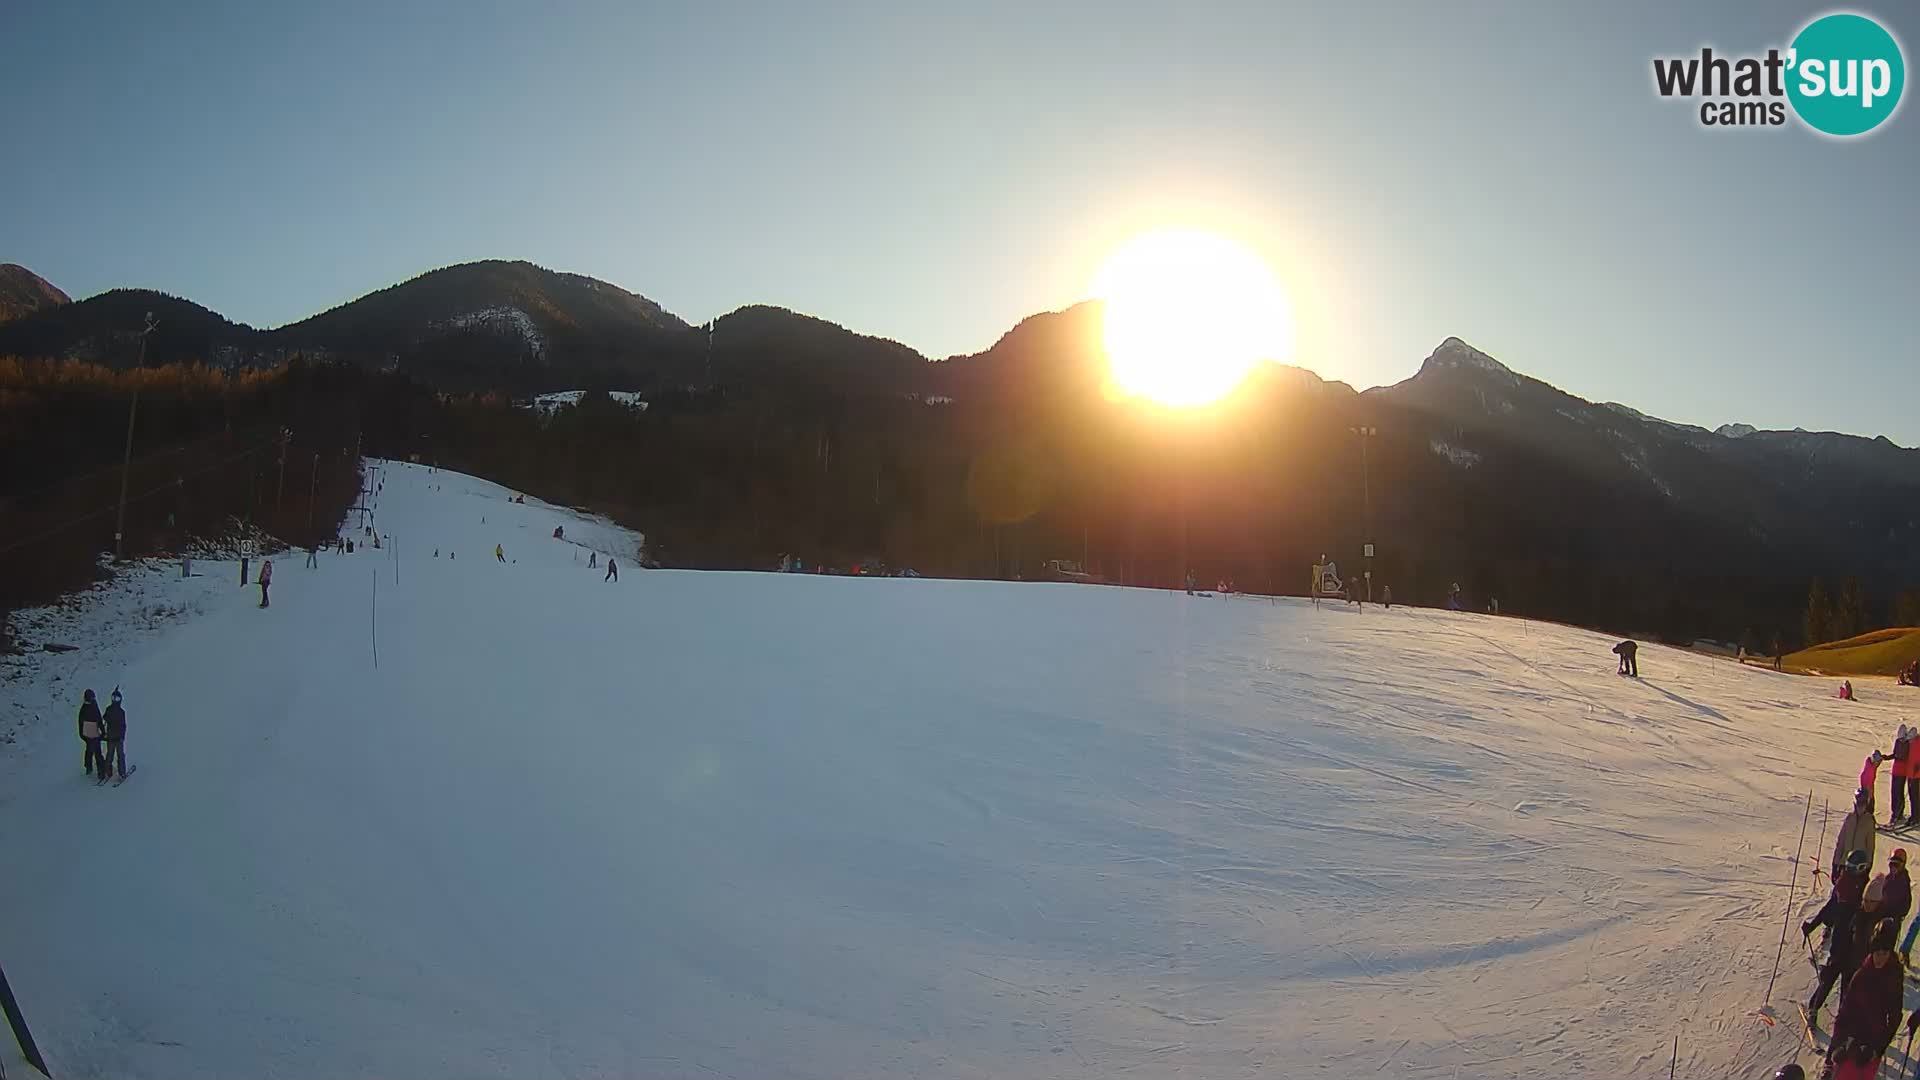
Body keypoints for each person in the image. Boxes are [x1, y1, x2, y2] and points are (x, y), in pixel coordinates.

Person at [1821, 918, 1904, 1079]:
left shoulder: (1894, 977)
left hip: (1872, 1041)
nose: (1880, 958)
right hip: (1851, 1039)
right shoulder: (1861, 975)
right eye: (1877, 953)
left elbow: (1894, 1017)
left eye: (1884, 953)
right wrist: (1832, 1056)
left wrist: (1877, 1049)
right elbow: (1845, 1012)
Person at [1810, 874, 1889, 1019]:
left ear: (1878, 902)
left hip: (1857, 964)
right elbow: (1840, 930)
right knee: (1826, 983)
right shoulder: (1856, 912)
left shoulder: (1880, 922)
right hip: (1841, 956)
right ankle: (1813, 1008)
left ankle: (1841, 1019)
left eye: (1871, 901)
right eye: (1865, 900)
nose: (1867, 904)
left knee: (1847, 995)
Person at [1807, 848, 1872, 945]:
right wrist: (1812, 925)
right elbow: (1831, 905)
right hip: (1842, 926)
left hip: (1855, 929)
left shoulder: (1866, 884)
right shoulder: (1843, 881)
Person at [1834, 789, 1878, 881]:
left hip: (1858, 865)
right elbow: (1841, 842)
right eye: (1859, 802)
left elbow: (1870, 846)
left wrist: (1868, 866)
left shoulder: (1869, 821)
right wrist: (1835, 863)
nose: (1860, 806)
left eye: (1863, 802)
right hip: (1844, 863)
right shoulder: (1850, 819)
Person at [101, 687, 128, 782]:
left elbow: (104, 719)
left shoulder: (109, 709)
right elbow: (123, 726)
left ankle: (108, 771)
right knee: (119, 755)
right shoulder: (121, 712)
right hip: (116, 737)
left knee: (110, 754)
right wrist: (122, 736)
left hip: (111, 737)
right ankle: (122, 773)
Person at [77, 689, 104, 777]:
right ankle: (98, 770)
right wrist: (102, 731)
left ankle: (90, 767)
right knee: (96, 751)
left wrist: (82, 734)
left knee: (90, 750)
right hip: (91, 732)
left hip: (90, 731)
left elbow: (98, 718)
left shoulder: (88, 707)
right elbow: (81, 722)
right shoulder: (88, 707)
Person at [1891, 726, 1913, 824]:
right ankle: (1895, 813)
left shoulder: (1908, 744)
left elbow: (1907, 757)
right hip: (1896, 770)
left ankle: (1898, 813)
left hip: (1902, 772)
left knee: (1898, 793)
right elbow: (1895, 754)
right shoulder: (1898, 742)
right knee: (1894, 792)